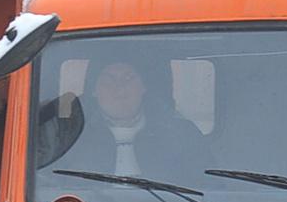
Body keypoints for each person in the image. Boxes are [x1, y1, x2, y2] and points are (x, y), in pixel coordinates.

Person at [52, 59, 207, 179]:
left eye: (129, 78)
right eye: (109, 80)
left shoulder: (181, 134)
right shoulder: (69, 136)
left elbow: (207, 187)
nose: (119, 89)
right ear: (94, 90)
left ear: (143, 88)